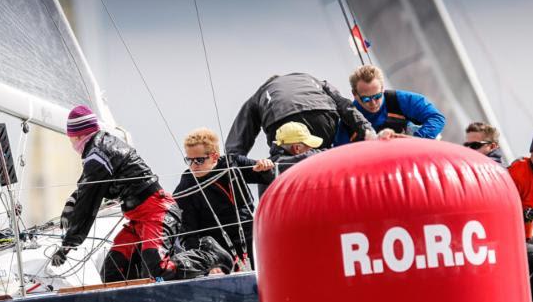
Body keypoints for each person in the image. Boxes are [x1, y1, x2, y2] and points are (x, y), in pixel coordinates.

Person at [51, 105, 232, 282]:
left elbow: (87, 205)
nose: (72, 144)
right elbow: (87, 186)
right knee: (112, 273)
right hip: (138, 220)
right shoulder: (99, 149)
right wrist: (72, 201)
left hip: (157, 211)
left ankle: (210, 254)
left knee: (159, 270)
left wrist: (67, 245)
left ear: (78, 135)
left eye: (71, 139)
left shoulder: (97, 155)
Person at [225, 72, 372, 169]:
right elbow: (345, 106)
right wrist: (368, 132)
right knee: (324, 155)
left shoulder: (259, 94)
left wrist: (232, 165)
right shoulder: (313, 79)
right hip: (323, 115)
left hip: (281, 120)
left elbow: (237, 141)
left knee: (276, 165)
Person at [174, 128, 274, 269]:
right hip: (217, 248)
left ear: (214, 156)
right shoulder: (186, 187)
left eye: (199, 160)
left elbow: (265, 176)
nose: (193, 166)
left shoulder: (233, 163)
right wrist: (207, 264)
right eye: (189, 160)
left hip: (250, 236)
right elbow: (188, 233)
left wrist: (266, 167)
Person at [335, 64, 446, 144]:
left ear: (382, 88)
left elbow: (437, 118)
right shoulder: (348, 121)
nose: (373, 103)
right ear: (354, 94)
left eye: (377, 96)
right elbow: (339, 153)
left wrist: (415, 140)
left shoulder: (400, 99)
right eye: (366, 99)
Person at [507, 126, 533, 302]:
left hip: (528, 238)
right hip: (510, 238)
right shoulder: (519, 170)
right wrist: (523, 212)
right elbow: (500, 205)